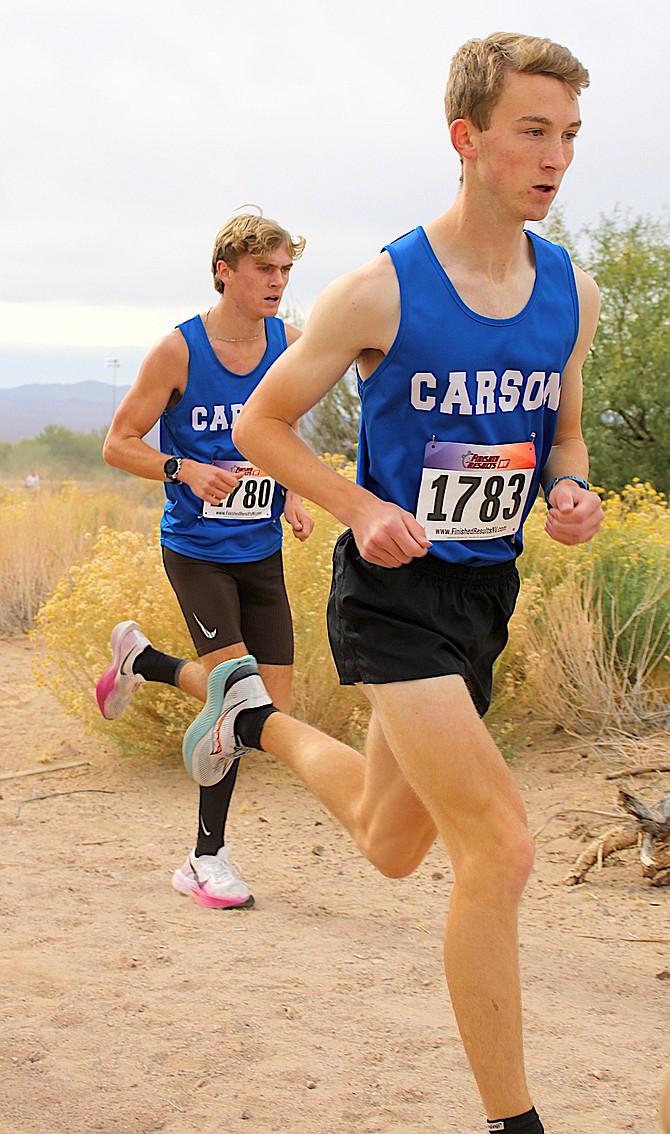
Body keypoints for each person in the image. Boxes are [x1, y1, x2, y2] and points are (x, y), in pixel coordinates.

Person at [182, 33, 605, 1134]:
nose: (554, 156)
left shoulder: (571, 291)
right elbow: (265, 423)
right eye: (531, 130)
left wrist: (571, 495)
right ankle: (515, 1122)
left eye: (567, 135)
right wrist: (361, 506)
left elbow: (563, 440)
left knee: (388, 841)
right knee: (500, 849)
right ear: (465, 138)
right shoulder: (381, 288)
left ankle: (250, 716)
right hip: (389, 597)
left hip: (480, 599)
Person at [96, 210, 314, 911]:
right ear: (226, 269)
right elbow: (118, 442)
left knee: (268, 713)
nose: (277, 282)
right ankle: (204, 859)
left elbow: (277, 433)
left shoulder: (291, 342)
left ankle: (143, 662)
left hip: (261, 548)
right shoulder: (179, 351)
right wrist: (183, 469)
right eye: (264, 270)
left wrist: (289, 496)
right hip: (196, 551)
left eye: (284, 270)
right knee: (240, 701)